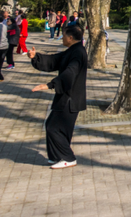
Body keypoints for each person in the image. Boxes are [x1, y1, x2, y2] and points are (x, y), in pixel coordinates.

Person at [28, 24, 88, 169]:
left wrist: (49, 85)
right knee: (55, 126)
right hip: (66, 97)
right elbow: (55, 60)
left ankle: (68, 157)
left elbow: (70, 73)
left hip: (71, 98)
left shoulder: (78, 53)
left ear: (71, 37)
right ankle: (57, 156)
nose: (62, 38)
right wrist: (36, 57)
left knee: (54, 128)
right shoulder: (73, 50)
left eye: (64, 35)